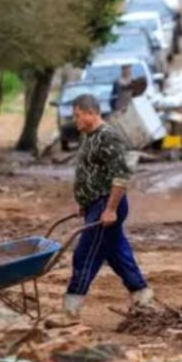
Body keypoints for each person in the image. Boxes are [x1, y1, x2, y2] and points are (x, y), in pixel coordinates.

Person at [63, 94, 154, 319]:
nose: (76, 121)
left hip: (107, 203)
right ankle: (142, 294)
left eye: (77, 116)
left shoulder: (108, 137)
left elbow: (121, 176)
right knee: (116, 252)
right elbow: (91, 172)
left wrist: (110, 209)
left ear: (89, 113)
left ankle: (71, 306)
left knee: (85, 254)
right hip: (96, 204)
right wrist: (85, 203)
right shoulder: (89, 136)